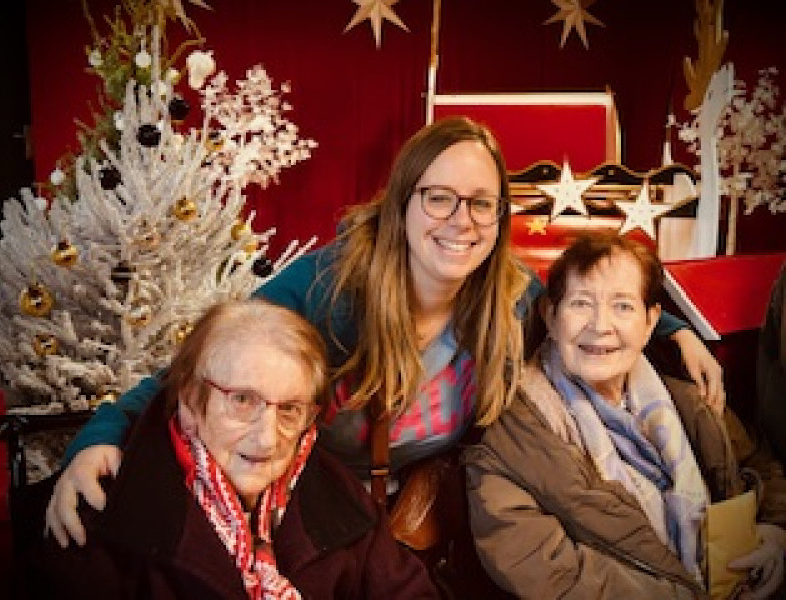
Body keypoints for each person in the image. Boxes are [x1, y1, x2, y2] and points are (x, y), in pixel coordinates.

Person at [46, 116, 725, 548]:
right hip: (304, 507)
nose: (460, 220)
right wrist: (102, 436)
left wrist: (674, 329)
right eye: (439, 197)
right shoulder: (330, 285)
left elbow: (584, 308)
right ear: (403, 203)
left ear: (498, 221)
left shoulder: (510, 295)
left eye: (481, 204)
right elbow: (203, 368)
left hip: (410, 519)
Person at [21, 299, 439, 599]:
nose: (267, 438)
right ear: (190, 402)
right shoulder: (98, 510)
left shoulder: (341, 497)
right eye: (242, 400)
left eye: (290, 409)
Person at [464, 230, 785, 599]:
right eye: (581, 303)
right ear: (550, 316)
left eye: (623, 306)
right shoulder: (508, 442)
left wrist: (777, 533)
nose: (600, 326)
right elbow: (552, 575)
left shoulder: (691, 397)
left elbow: (760, 462)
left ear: (651, 323)